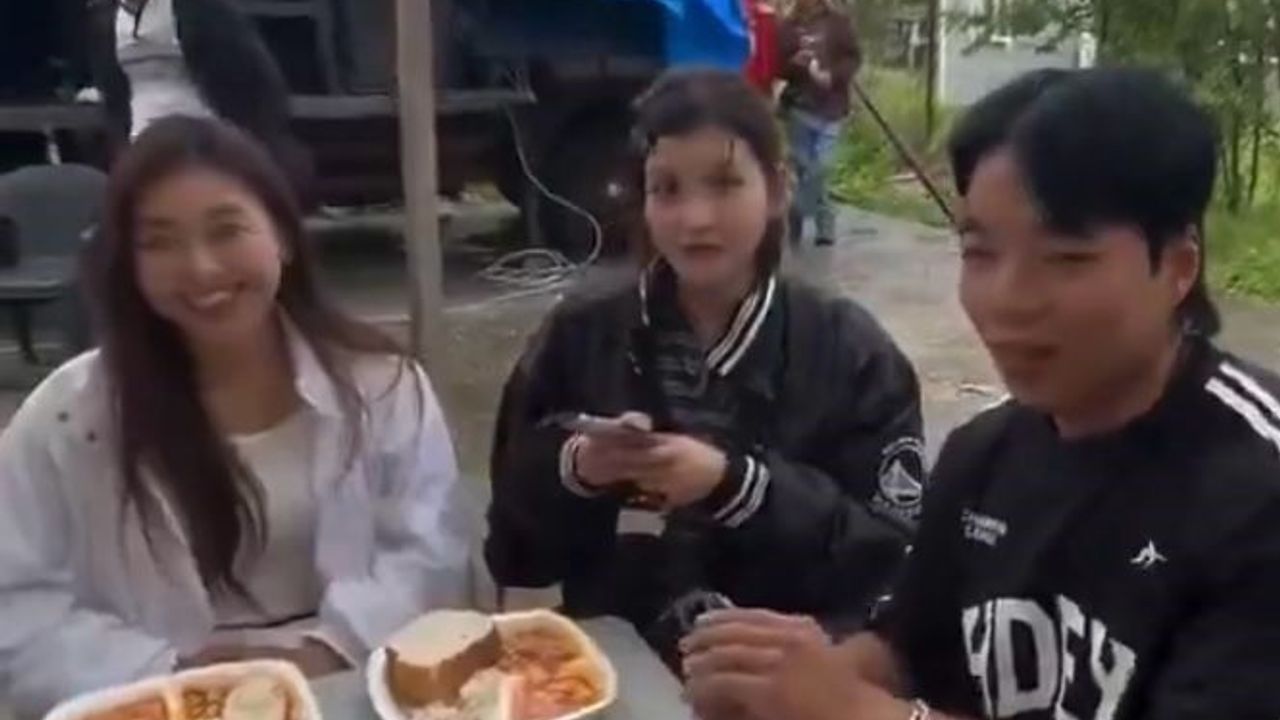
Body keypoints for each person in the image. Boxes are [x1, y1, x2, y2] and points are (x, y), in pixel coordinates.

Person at [681, 67, 1280, 720]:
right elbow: (908, 648)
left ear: (1179, 267)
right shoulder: (983, 455)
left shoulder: (1254, 490)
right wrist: (781, 681)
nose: (1007, 301)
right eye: (980, 253)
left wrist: (857, 711)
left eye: (1066, 258)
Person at [0, 117, 472, 718]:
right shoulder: (68, 418)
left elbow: (430, 557)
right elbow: (16, 602)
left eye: (226, 230)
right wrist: (174, 673)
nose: (201, 268)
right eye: (159, 242)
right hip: (153, 698)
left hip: (348, 685)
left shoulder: (382, 388)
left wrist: (321, 653)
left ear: (283, 237)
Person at [485, 68, 923, 667]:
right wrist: (578, 467)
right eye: (666, 189)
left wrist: (735, 485)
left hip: (787, 675)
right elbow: (512, 546)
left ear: (778, 189)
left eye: (724, 184)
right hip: (611, 670)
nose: (695, 218)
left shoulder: (852, 352)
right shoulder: (580, 333)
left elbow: (889, 557)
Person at [85, 0, 313, 202]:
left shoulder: (201, 10)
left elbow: (256, 81)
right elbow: (114, 95)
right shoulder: (107, 21)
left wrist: (244, 144)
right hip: (142, 143)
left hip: (206, 140)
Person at [777, 0, 861, 247]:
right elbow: (778, 67)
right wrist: (795, 63)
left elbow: (853, 58)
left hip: (831, 108)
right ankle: (809, 223)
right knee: (803, 167)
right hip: (799, 108)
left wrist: (832, 75)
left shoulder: (838, 22)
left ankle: (806, 212)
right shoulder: (788, 26)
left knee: (822, 167)